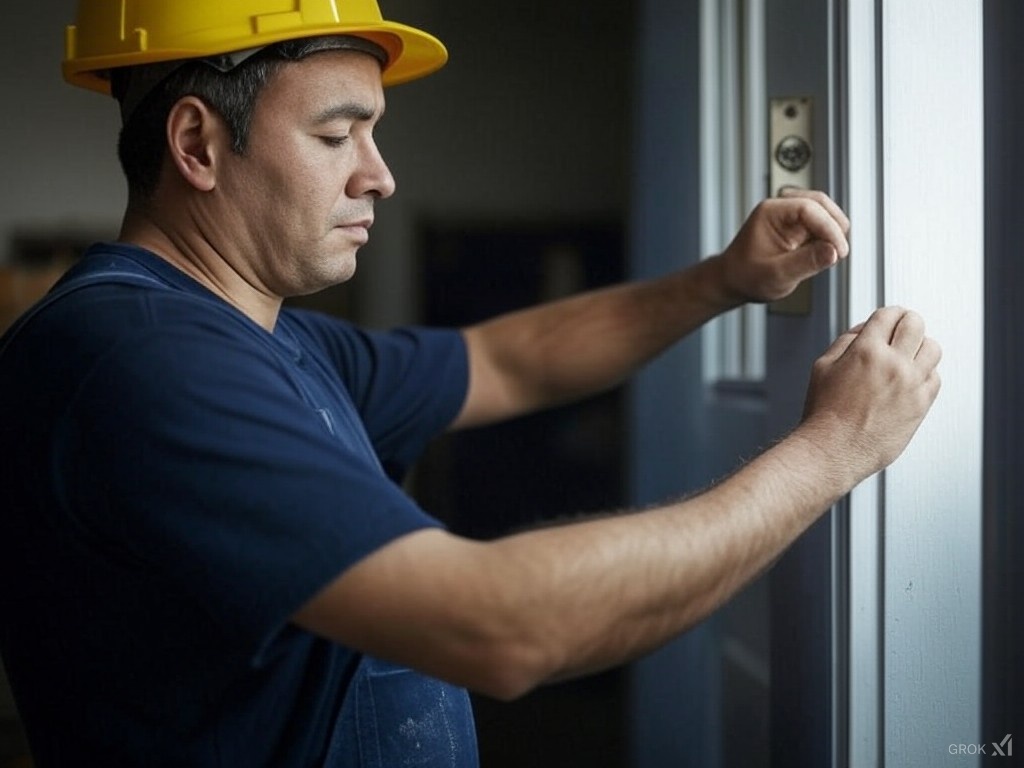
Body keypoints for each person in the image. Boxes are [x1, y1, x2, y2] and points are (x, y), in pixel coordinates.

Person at [0, 1, 941, 766]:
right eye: (340, 135)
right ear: (198, 145)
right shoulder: (142, 360)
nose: (382, 176)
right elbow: (502, 625)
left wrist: (722, 281)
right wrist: (833, 451)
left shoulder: (264, 340)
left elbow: (506, 360)